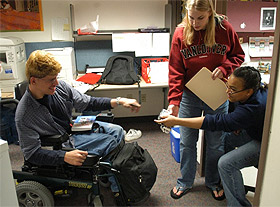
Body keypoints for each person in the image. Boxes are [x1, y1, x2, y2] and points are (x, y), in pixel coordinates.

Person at [15, 50, 141, 201]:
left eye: (56, 78)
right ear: (34, 80)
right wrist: (64, 156)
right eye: (51, 80)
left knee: (118, 131)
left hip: (72, 127)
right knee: (111, 142)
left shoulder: (59, 87)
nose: (56, 83)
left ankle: (106, 170)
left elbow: (88, 102)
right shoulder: (24, 114)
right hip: (61, 143)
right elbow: (32, 154)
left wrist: (119, 101)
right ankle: (120, 192)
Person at [156, 66, 267, 206]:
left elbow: (215, 122)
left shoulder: (254, 108)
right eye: (227, 86)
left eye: (232, 89)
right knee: (223, 141)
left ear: (248, 91)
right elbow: (234, 110)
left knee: (226, 164)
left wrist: (176, 121)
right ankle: (224, 181)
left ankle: (238, 204)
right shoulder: (253, 91)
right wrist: (238, 124)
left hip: (265, 142)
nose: (227, 92)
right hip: (254, 130)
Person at [167, 0, 245, 200]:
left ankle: (212, 181)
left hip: (216, 93)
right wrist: (174, 101)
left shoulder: (224, 28)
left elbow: (238, 55)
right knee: (186, 141)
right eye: (191, 17)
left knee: (215, 142)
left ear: (210, 12)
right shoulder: (180, 33)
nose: (195, 23)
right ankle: (185, 181)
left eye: (200, 18)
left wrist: (225, 67)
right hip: (190, 94)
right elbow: (175, 70)